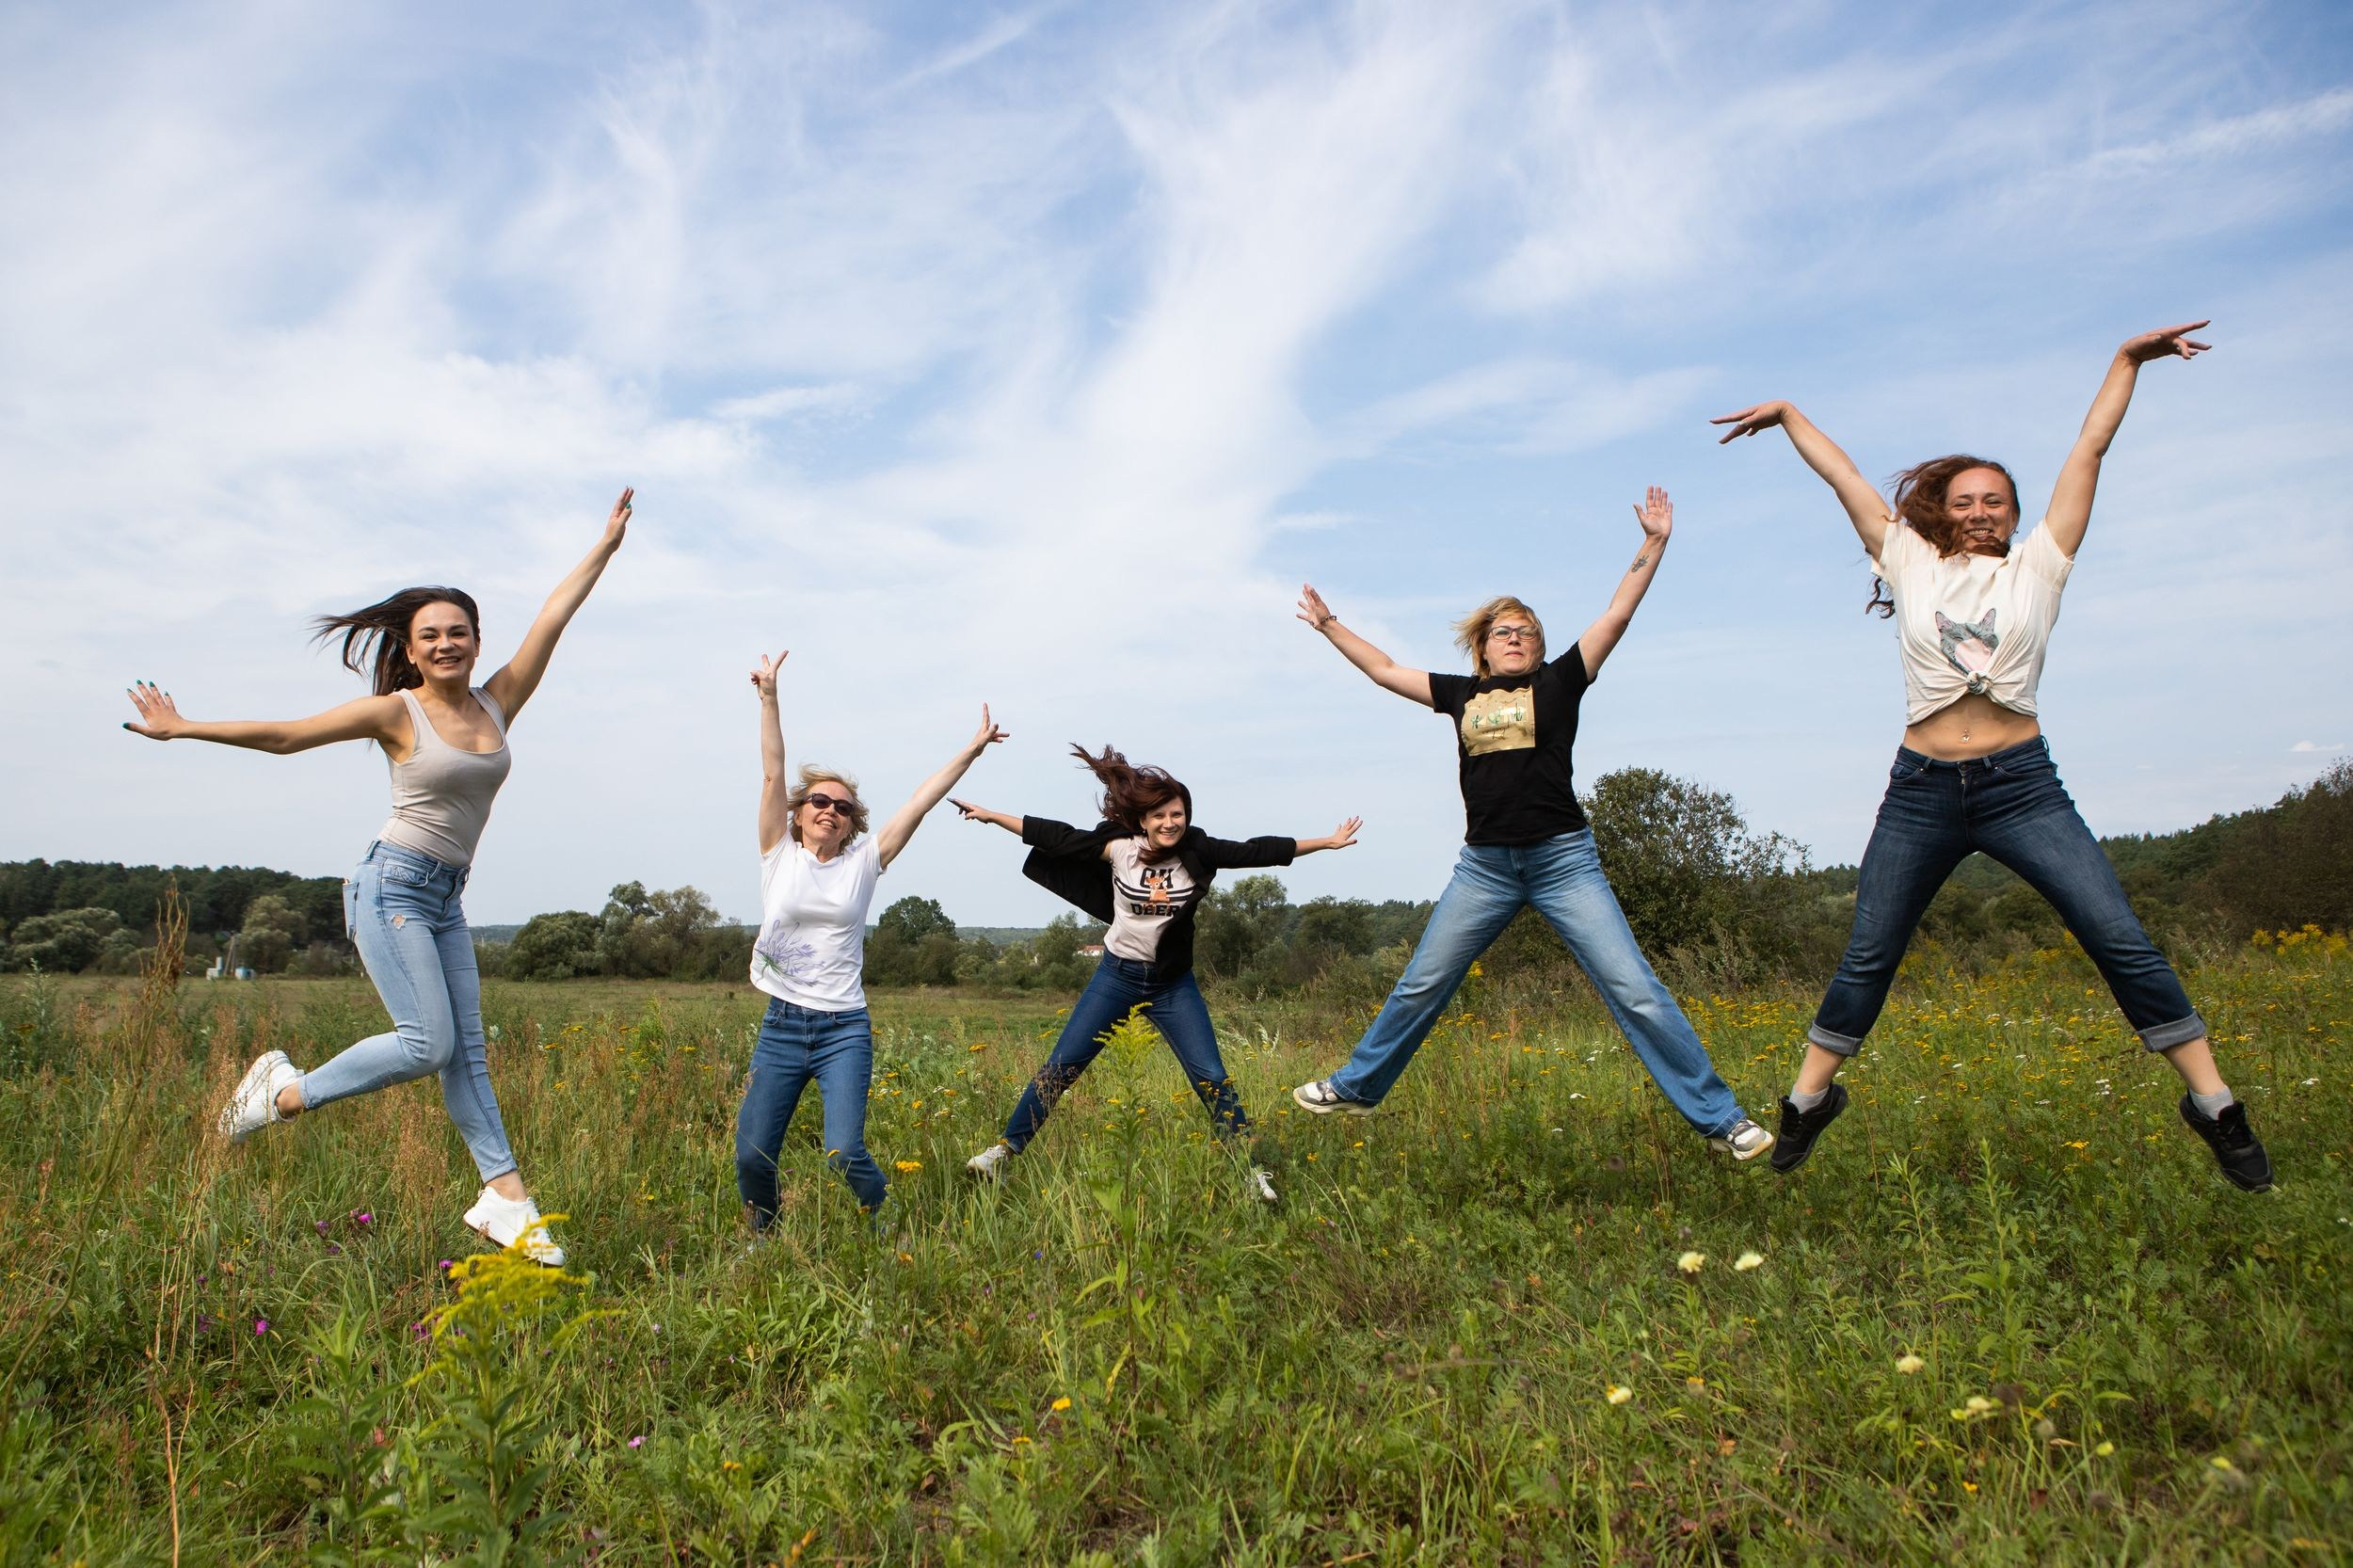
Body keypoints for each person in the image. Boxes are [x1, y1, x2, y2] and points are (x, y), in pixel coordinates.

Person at [1711, 321, 2271, 1189]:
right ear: (1942, 509)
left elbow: (2091, 447)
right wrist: (1789, 415)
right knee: (1870, 950)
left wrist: (2125, 361)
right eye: (1964, 501)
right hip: (1921, 790)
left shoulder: (2041, 564)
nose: (1979, 513)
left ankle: (2215, 1107)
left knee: (2117, 936)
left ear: (2014, 514)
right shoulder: (1907, 557)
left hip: (2022, 787)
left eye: (1995, 502)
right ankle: (1807, 1102)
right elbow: (1844, 478)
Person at [125, 488, 639, 1265]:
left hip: (445, 900)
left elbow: (552, 618)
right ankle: (283, 1091)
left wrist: (603, 547)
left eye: (458, 633)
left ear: (474, 640)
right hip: (390, 887)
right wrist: (184, 727)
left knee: (466, 1051)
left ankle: (506, 1200)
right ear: (409, 645)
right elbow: (286, 736)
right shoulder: (400, 713)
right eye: (429, 635)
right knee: (429, 1043)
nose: (445, 645)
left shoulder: (500, 702)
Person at [1288, 488, 1775, 1161]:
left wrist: (1653, 542)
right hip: (1484, 868)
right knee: (1422, 982)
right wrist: (1329, 624)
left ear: (1539, 649)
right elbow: (1383, 669)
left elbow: (1617, 613)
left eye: (1527, 633)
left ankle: (1722, 1120)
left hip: (1562, 861)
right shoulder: (1459, 694)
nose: (1516, 639)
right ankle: (1360, 1085)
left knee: (1635, 990)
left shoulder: (1560, 683)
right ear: (1484, 649)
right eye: (1503, 632)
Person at [952, 745, 1361, 1201]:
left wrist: (1325, 841)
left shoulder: (1199, 851)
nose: (1170, 822)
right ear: (1143, 820)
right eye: (1161, 815)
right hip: (1116, 976)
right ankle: (1005, 1152)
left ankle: (1251, 1172)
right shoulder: (1118, 848)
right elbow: (1056, 836)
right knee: (1061, 1068)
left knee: (1211, 1076)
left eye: (1178, 814)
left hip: (1171, 985)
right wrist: (992, 816)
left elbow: (1257, 850)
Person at [736, 651, 1005, 1226]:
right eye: (819, 801)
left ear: (854, 821)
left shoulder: (865, 862)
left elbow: (921, 800)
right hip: (782, 1025)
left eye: (843, 807)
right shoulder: (776, 853)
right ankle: (764, 1236)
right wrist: (769, 698)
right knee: (752, 1153)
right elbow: (771, 768)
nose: (829, 810)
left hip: (843, 1029)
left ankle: (883, 1217)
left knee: (842, 1152)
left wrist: (973, 748)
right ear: (800, 811)